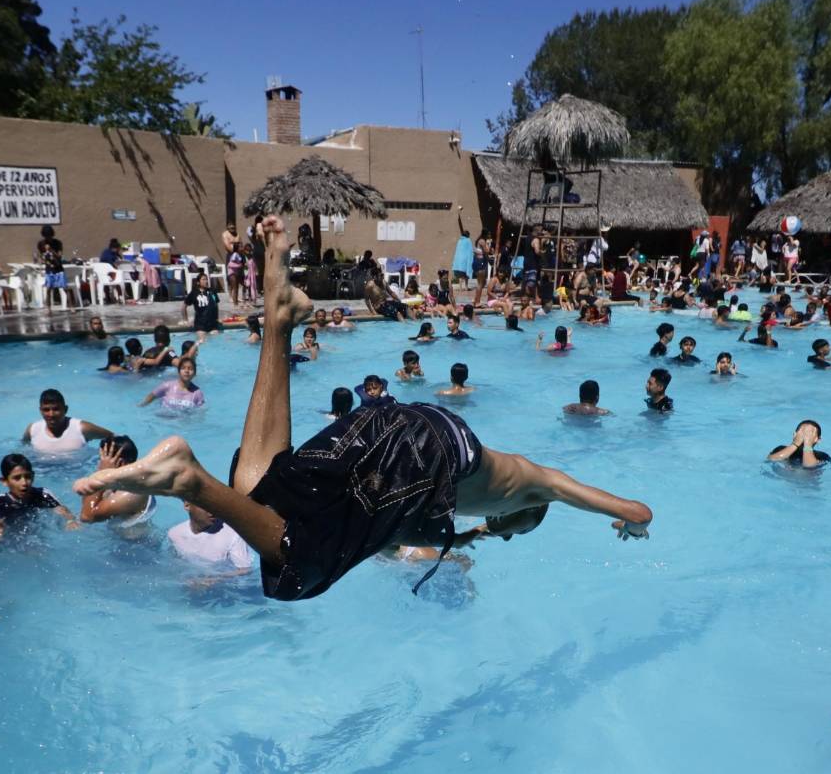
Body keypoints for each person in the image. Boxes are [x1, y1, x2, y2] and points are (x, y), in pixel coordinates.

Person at [73, 215, 651, 603]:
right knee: (303, 570)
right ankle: (189, 481)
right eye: (513, 528)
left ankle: (277, 318)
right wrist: (627, 517)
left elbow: (400, 527)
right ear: (529, 512)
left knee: (268, 490)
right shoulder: (538, 484)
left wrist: (476, 539)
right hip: (431, 454)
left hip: (404, 424)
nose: (503, 530)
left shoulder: (490, 497)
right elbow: (638, 508)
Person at [0, 453, 80, 538]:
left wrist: (70, 521)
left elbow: (61, 510)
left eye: (27, 477)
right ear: (4, 481)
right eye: (17, 478)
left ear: (33, 476)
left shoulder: (42, 494)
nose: (24, 483)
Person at [79, 437, 157, 537]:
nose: (100, 464)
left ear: (120, 462)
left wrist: (101, 473)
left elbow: (86, 517)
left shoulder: (131, 493)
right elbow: (87, 500)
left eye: (102, 460)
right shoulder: (121, 483)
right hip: (121, 541)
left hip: (135, 547)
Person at [168, 500, 253, 573]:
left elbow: (245, 570)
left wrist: (216, 579)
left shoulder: (233, 533)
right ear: (187, 505)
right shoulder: (175, 534)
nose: (212, 511)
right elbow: (176, 564)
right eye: (205, 506)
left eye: (213, 505)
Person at [22, 389, 114, 454]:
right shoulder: (33, 430)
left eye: (56, 409)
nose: (51, 414)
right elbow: (23, 448)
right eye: (46, 410)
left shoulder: (82, 428)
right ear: (40, 411)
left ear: (65, 409)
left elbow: (113, 437)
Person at [141, 358, 205, 408]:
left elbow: (200, 413)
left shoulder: (197, 393)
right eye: (183, 368)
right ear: (179, 372)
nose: (187, 371)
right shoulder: (167, 386)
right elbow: (150, 397)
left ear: (195, 374)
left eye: (190, 369)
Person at [183, 272, 220, 339]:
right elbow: (184, 307)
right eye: (203, 279)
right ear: (198, 282)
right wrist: (186, 320)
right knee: (203, 341)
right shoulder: (194, 293)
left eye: (206, 279)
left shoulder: (212, 291)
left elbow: (216, 306)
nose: (206, 281)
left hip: (212, 325)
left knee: (216, 339)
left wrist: (217, 318)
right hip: (200, 325)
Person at [226, 242, 246, 307]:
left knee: (236, 288)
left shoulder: (240, 254)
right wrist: (239, 265)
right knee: (235, 288)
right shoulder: (235, 254)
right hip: (232, 273)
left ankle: (236, 303)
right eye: (240, 247)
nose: (242, 248)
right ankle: (235, 304)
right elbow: (230, 264)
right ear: (237, 248)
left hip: (236, 273)